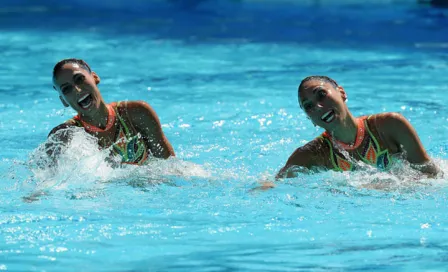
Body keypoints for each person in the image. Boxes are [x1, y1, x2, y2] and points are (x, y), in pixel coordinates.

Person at [276, 75, 441, 179]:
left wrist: (383, 187)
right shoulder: (312, 155)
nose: (318, 106)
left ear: (341, 93)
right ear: (310, 119)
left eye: (321, 94)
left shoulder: (391, 126)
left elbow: (431, 175)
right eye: (309, 106)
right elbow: (274, 184)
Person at [48, 58, 175, 166]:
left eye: (79, 79)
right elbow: (46, 184)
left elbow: (169, 166)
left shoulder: (137, 113)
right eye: (67, 89)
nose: (76, 89)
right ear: (63, 101)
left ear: (95, 77)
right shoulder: (63, 136)